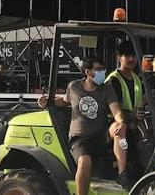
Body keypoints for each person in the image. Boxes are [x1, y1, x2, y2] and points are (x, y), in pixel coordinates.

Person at [38, 56, 120, 195]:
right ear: (87, 72)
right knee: (84, 161)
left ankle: (123, 175)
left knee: (120, 132)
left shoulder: (106, 89)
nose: (102, 73)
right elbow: (65, 101)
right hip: (80, 138)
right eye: (98, 70)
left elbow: (116, 109)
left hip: (101, 135)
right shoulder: (74, 86)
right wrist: (48, 102)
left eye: (103, 70)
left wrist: (121, 121)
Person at [107, 41, 146, 186]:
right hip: (110, 123)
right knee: (120, 128)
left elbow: (142, 101)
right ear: (119, 57)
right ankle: (122, 173)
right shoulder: (113, 80)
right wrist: (132, 116)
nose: (132, 59)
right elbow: (113, 109)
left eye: (134, 55)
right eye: (127, 55)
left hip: (132, 120)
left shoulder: (136, 78)